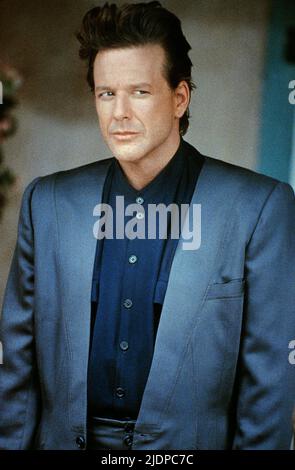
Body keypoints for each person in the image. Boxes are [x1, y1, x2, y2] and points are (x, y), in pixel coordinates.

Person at [0, 1, 294, 451]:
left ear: (180, 97)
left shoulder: (257, 206)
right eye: (105, 93)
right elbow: (15, 367)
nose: (119, 113)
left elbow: (269, 383)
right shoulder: (48, 202)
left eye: (139, 92)